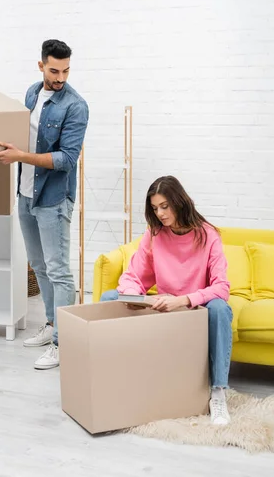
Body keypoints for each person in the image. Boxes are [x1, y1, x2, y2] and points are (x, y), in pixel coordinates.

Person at [0, 39, 89, 370]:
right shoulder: (32, 93)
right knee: (39, 265)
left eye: (66, 70)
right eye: (54, 70)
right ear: (41, 65)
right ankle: (50, 324)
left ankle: (63, 341)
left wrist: (21, 156)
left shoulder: (75, 106)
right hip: (26, 193)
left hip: (54, 198)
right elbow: (24, 134)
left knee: (59, 270)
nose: (60, 77)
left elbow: (67, 159)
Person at [100, 175, 233, 425]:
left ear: (179, 201)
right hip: (163, 305)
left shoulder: (209, 235)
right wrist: (133, 296)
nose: (160, 213)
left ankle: (217, 393)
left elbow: (221, 287)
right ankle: (115, 376)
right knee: (110, 297)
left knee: (220, 308)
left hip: (195, 307)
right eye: (154, 208)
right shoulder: (155, 234)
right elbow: (133, 275)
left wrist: (184, 299)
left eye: (164, 206)